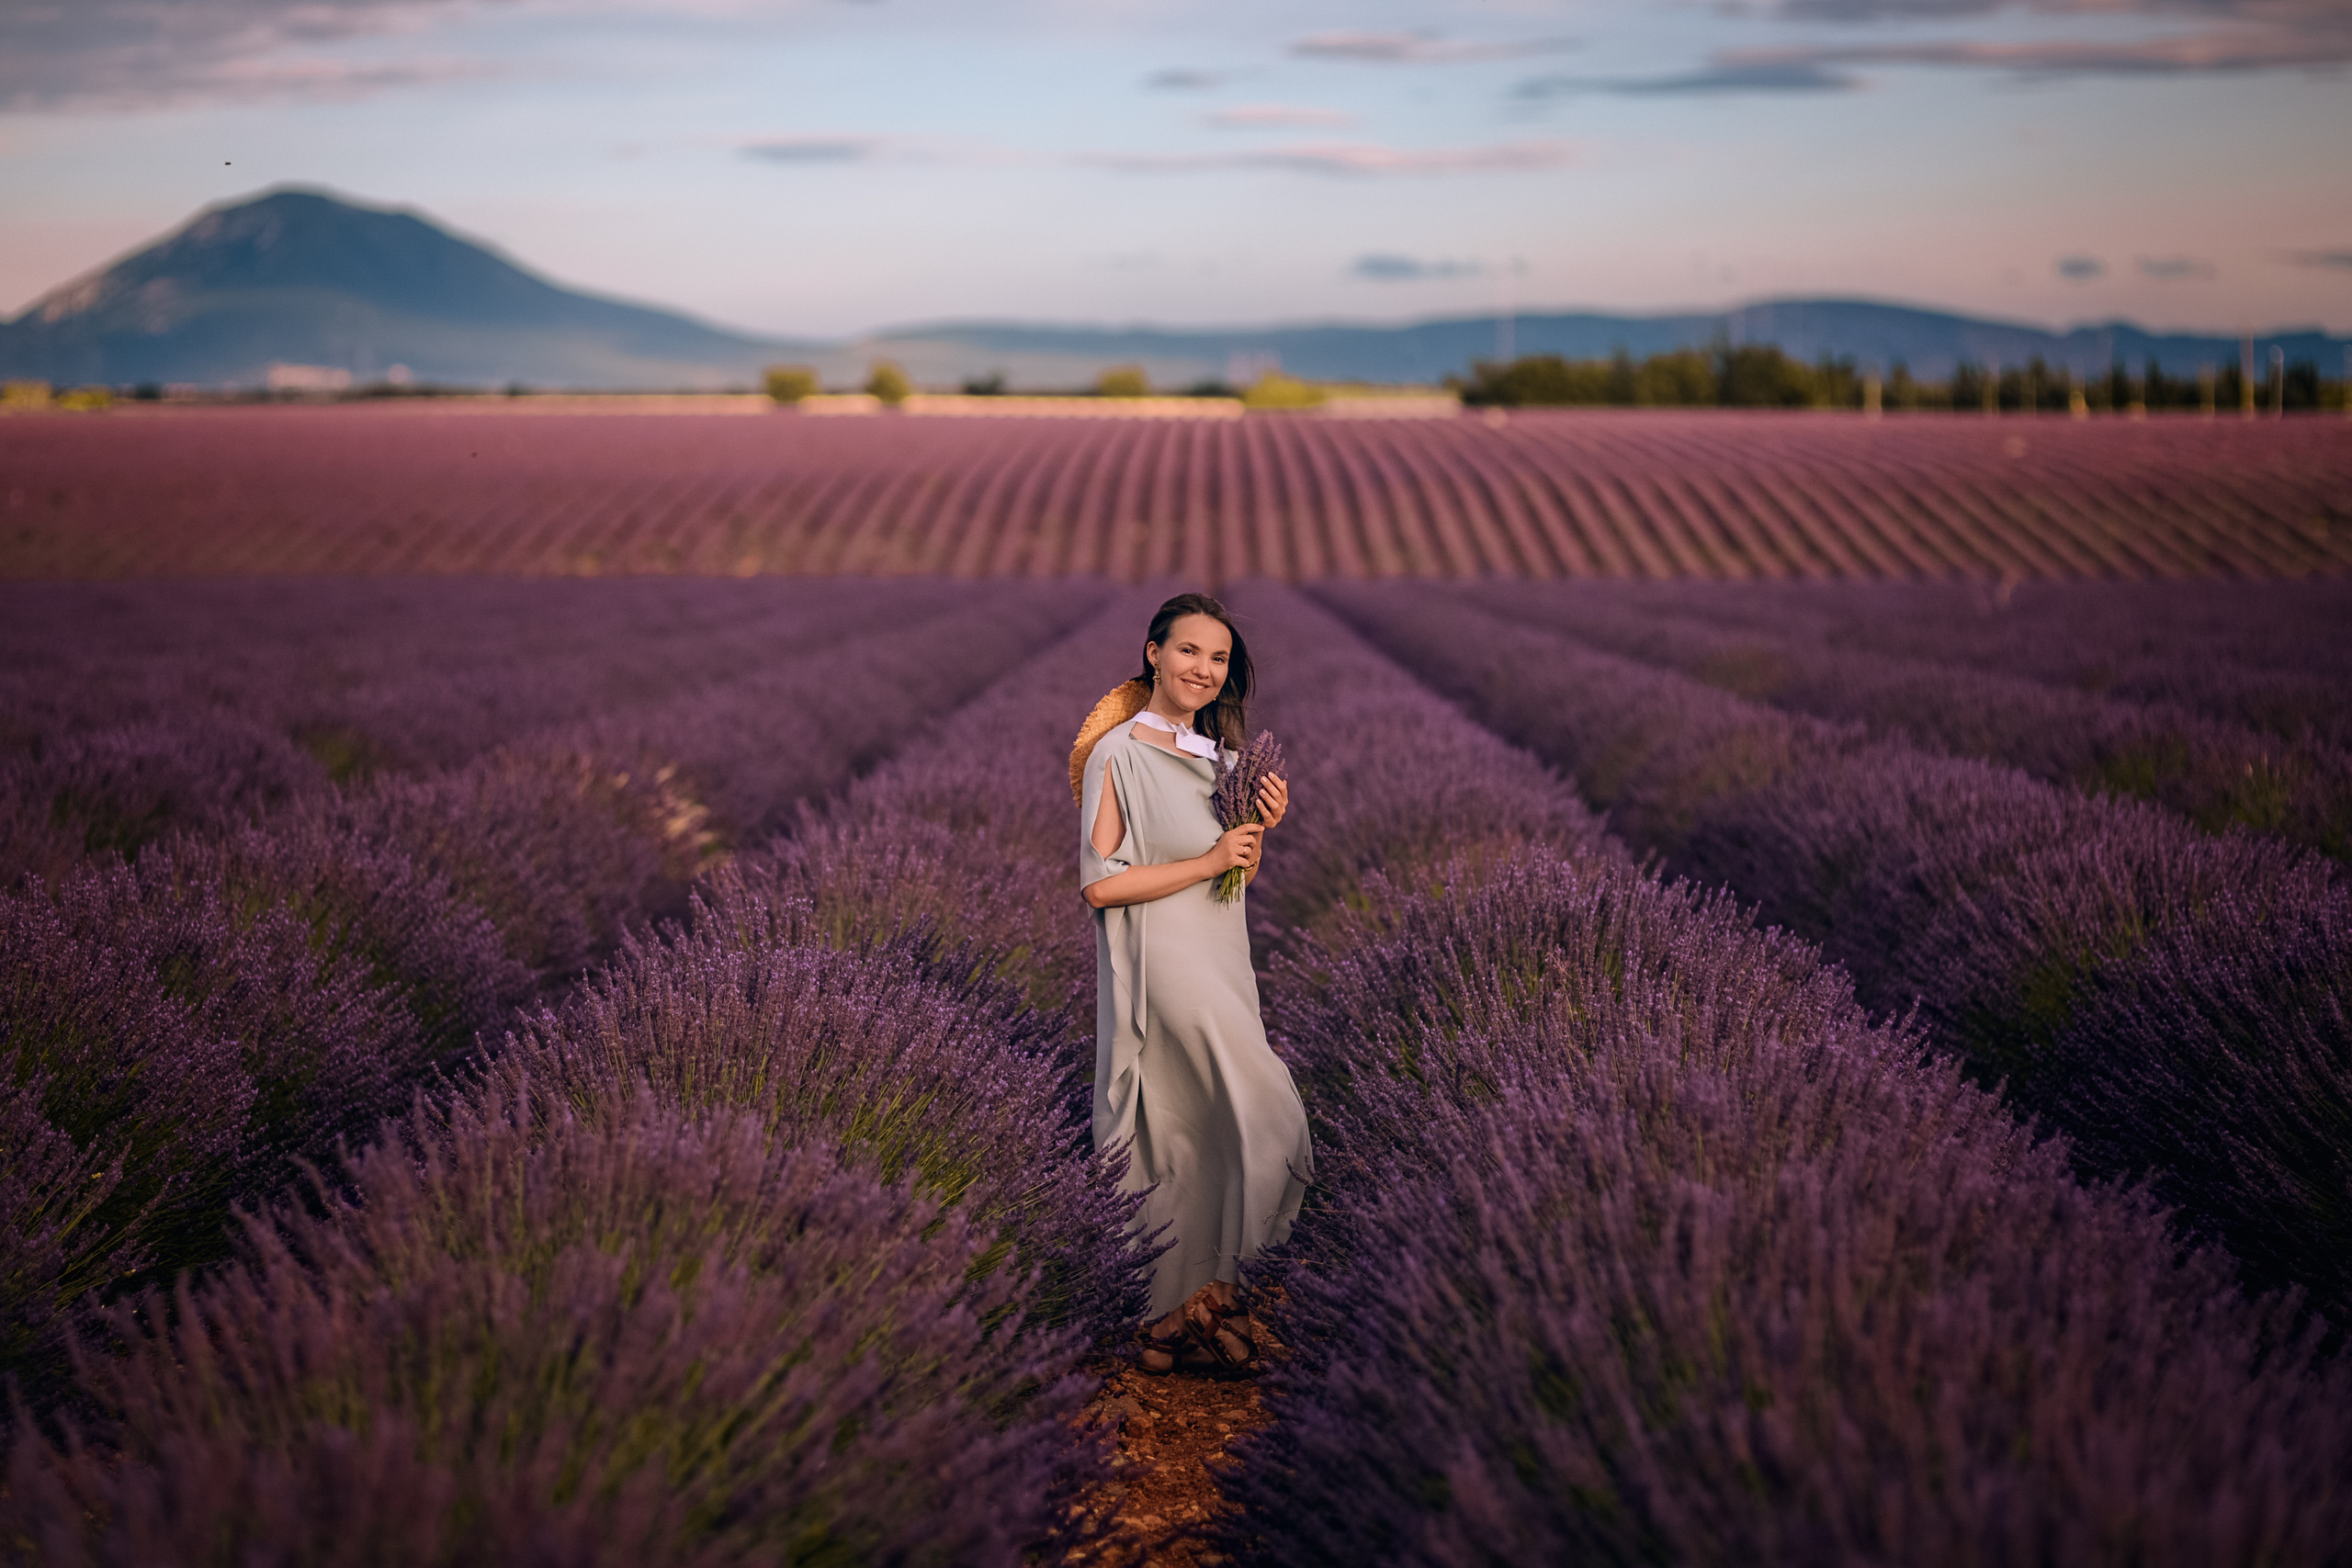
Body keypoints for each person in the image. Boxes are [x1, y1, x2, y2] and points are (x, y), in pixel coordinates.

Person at [1073, 592, 1313, 1375]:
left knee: (1192, 1127)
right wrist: (1212, 861)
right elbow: (1099, 884)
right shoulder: (1119, 753)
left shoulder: (1225, 760)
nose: (1203, 670)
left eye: (1218, 660)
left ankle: (1179, 1309)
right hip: (1163, 962)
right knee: (1264, 1105)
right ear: (1153, 653)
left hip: (1222, 957)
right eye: (1188, 652)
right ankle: (1210, 1300)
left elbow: (1234, 882)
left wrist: (1257, 839)